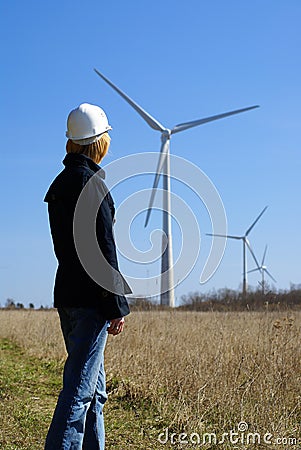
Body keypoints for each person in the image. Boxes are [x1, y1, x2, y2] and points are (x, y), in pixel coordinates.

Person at [44, 103, 131, 450]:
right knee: (79, 393)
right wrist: (116, 305)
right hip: (91, 300)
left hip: (67, 296)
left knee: (94, 389)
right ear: (98, 143)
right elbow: (103, 253)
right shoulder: (92, 186)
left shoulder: (60, 185)